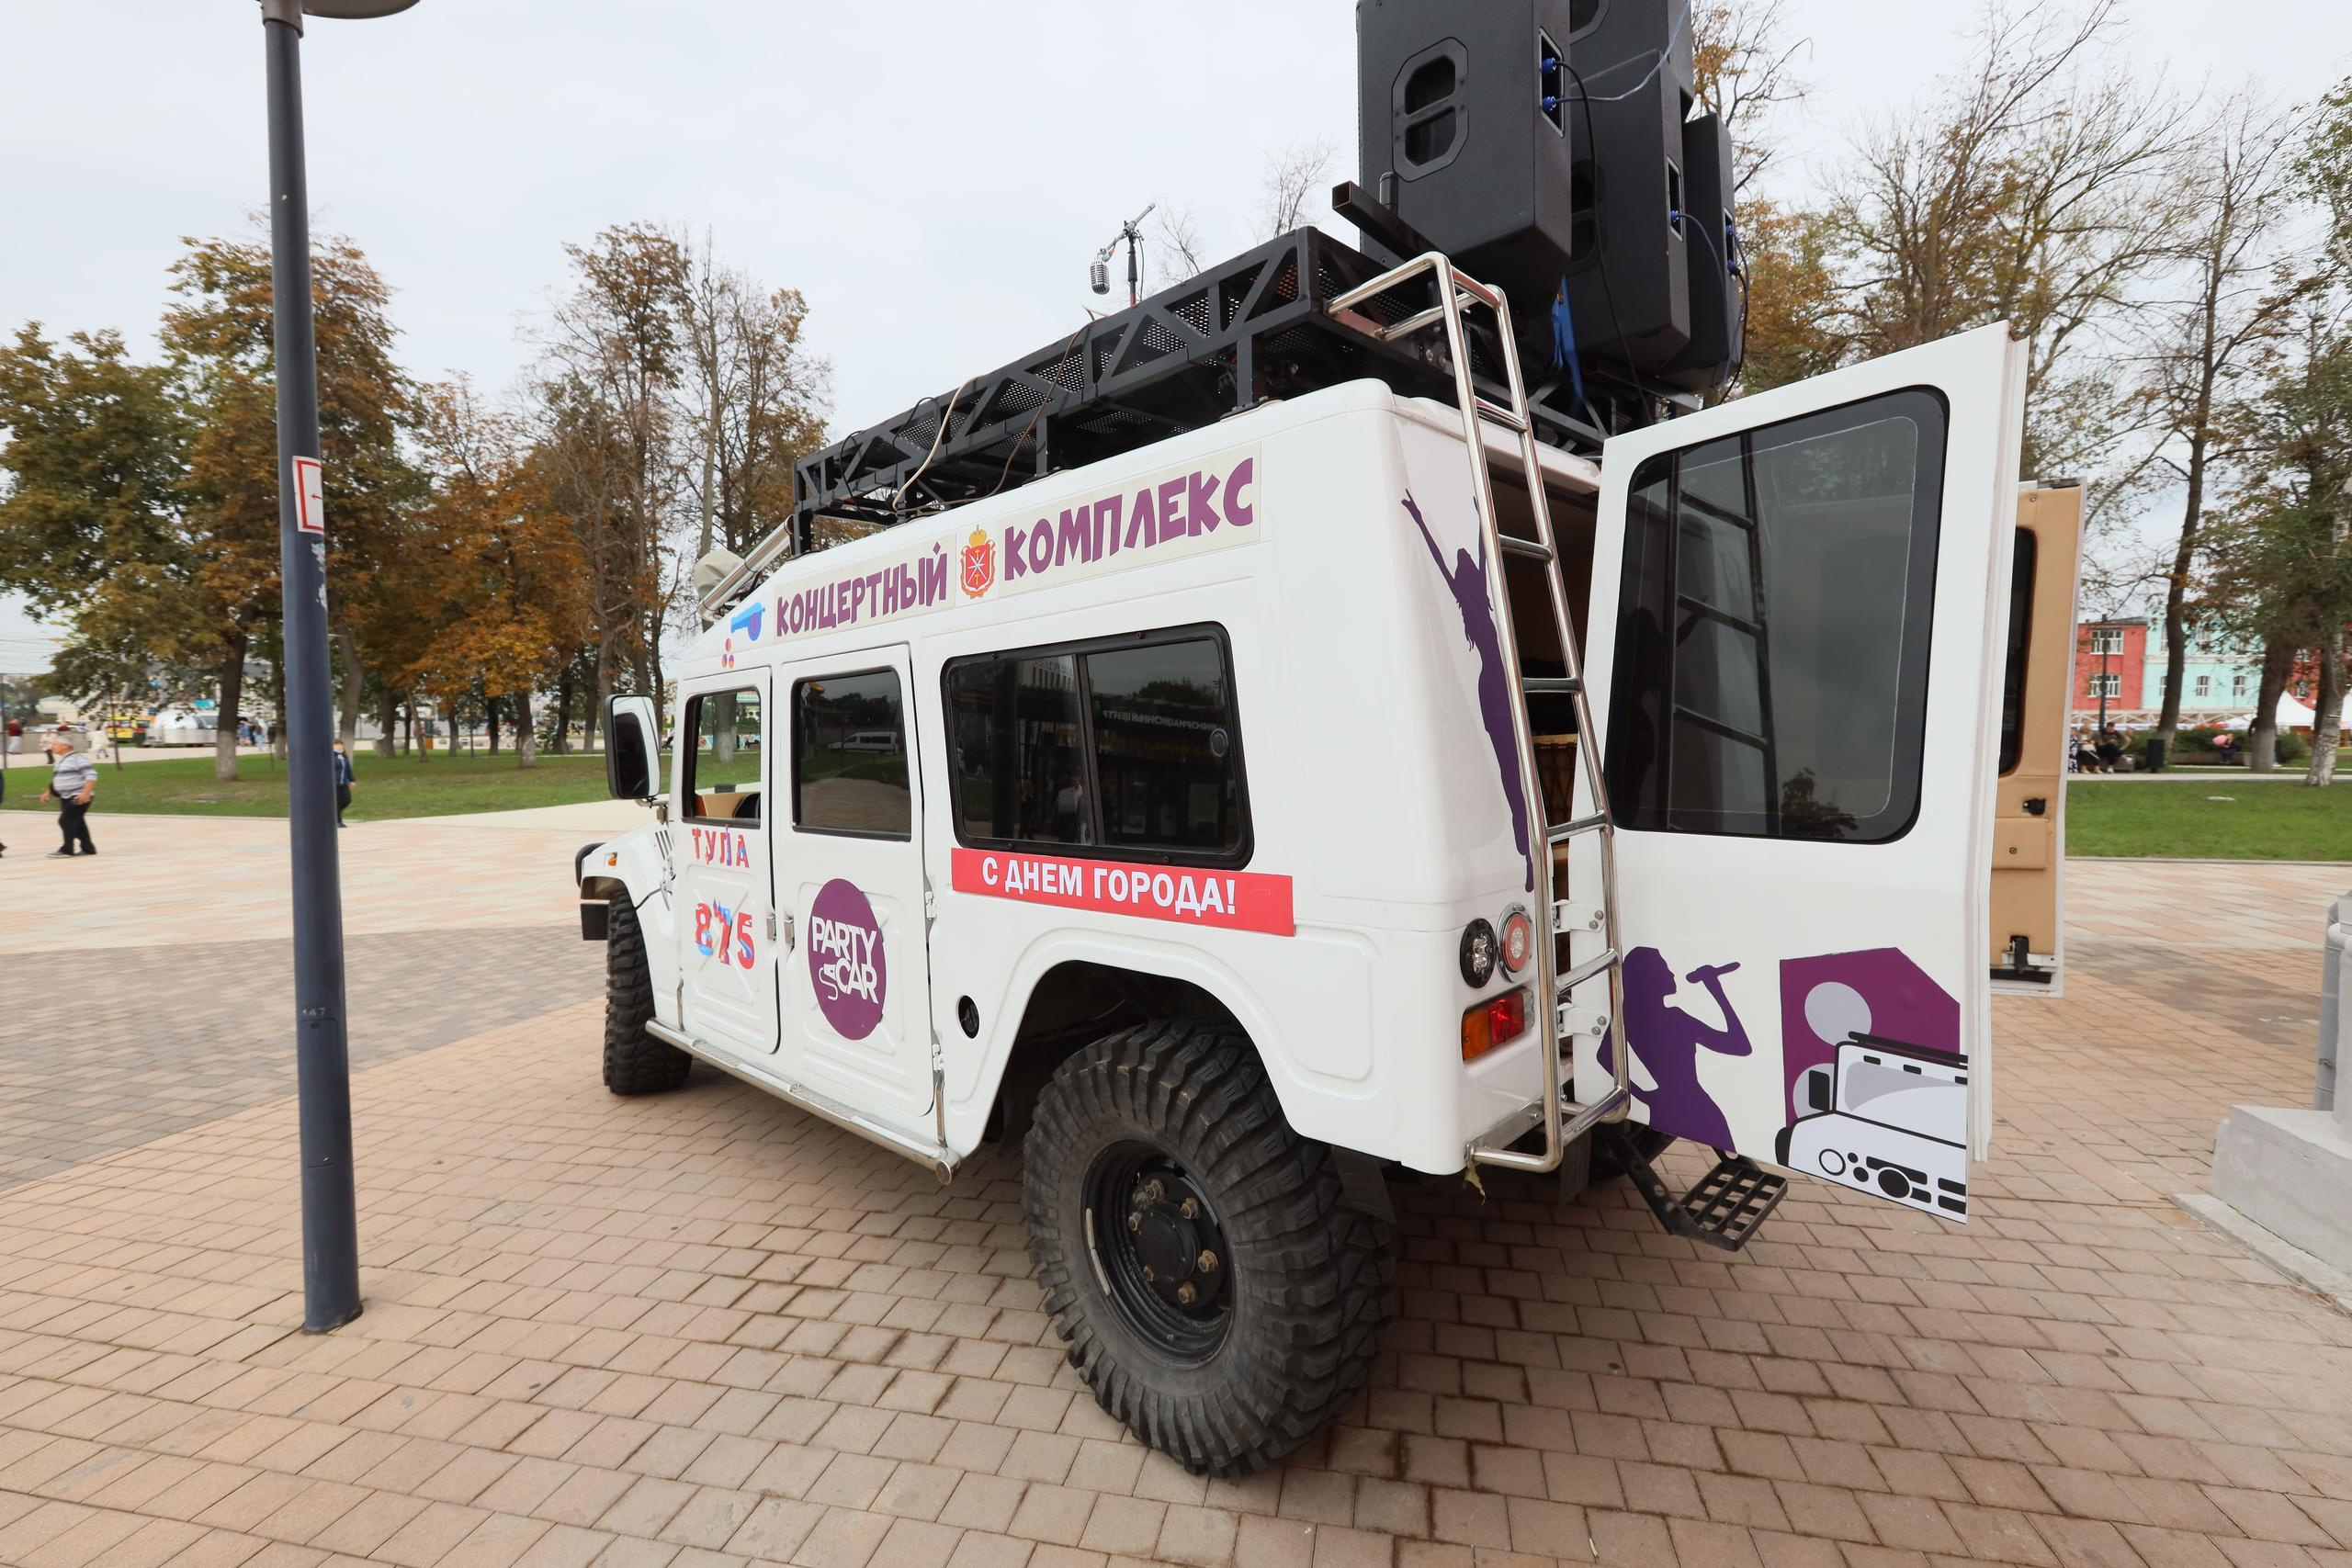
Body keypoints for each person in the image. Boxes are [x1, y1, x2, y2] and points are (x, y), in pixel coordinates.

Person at [40, 728, 96, 858]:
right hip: (65, 797)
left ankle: (67, 849)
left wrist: (85, 793)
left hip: (78, 796)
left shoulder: (78, 759)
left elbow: (92, 776)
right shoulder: (60, 760)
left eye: (54, 744)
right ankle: (88, 848)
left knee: (65, 821)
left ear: (65, 746)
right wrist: (47, 792)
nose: (51, 746)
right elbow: (57, 779)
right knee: (77, 822)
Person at [333, 738, 356, 828]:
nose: (339, 746)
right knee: (338, 802)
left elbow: (348, 769)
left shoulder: (343, 756)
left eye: (340, 744)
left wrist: (352, 780)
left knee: (347, 800)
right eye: (337, 744)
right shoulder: (330, 756)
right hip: (335, 783)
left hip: (344, 783)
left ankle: (333, 814)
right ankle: (338, 821)